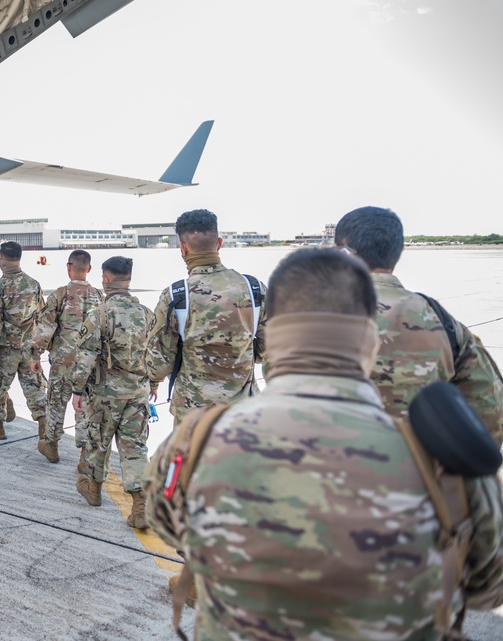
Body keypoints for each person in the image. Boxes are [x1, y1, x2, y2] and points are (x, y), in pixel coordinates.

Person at [143, 247, 503, 640]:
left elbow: (170, 528)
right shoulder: (446, 466)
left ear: (274, 336)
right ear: (370, 339)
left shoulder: (198, 440)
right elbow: (488, 588)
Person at [335, 206, 503, 444]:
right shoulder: (441, 320)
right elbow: (489, 406)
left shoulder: (308, 316)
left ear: (343, 253)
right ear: (396, 253)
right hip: (419, 471)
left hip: (329, 470)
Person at [146, 209, 267, 422]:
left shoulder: (176, 295)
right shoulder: (254, 288)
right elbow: (267, 349)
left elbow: (159, 364)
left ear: (183, 248)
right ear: (219, 244)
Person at [69, 256, 152, 527]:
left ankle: (93, 490)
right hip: (138, 392)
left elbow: (86, 356)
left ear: (105, 278)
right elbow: (157, 354)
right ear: (128, 279)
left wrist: (77, 389)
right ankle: (140, 506)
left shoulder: (99, 314)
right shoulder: (147, 314)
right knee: (135, 447)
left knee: (98, 441)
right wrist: (154, 384)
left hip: (105, 394)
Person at [31, 249, 103, 467]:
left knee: (56, 403)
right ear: (89, 269)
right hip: (88, 364)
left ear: (69, 267)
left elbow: (45, 328)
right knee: (84, 408)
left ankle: (51, 445)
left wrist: (36, 355)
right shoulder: (99, 296)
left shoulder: (60, 295)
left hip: (63, 362)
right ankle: (83, 456)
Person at [0, 241, 46, 440]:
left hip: (5, 350)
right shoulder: (34, 284)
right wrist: (38, 349)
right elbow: (41, 316)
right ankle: (44, 427)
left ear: (1, 259)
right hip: (29, 348)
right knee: (34, 388)